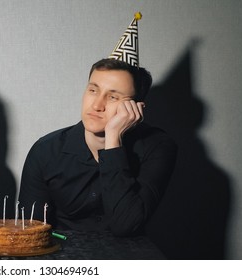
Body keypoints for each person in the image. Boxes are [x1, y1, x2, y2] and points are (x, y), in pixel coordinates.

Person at [18, 14, 177, 236]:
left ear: (137, 109)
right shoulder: (46, 152)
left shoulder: (158, 147)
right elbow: (29, 235)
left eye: (113, 97)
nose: (97, 104)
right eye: (93, 90)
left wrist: (113, 140)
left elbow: (127, 225)